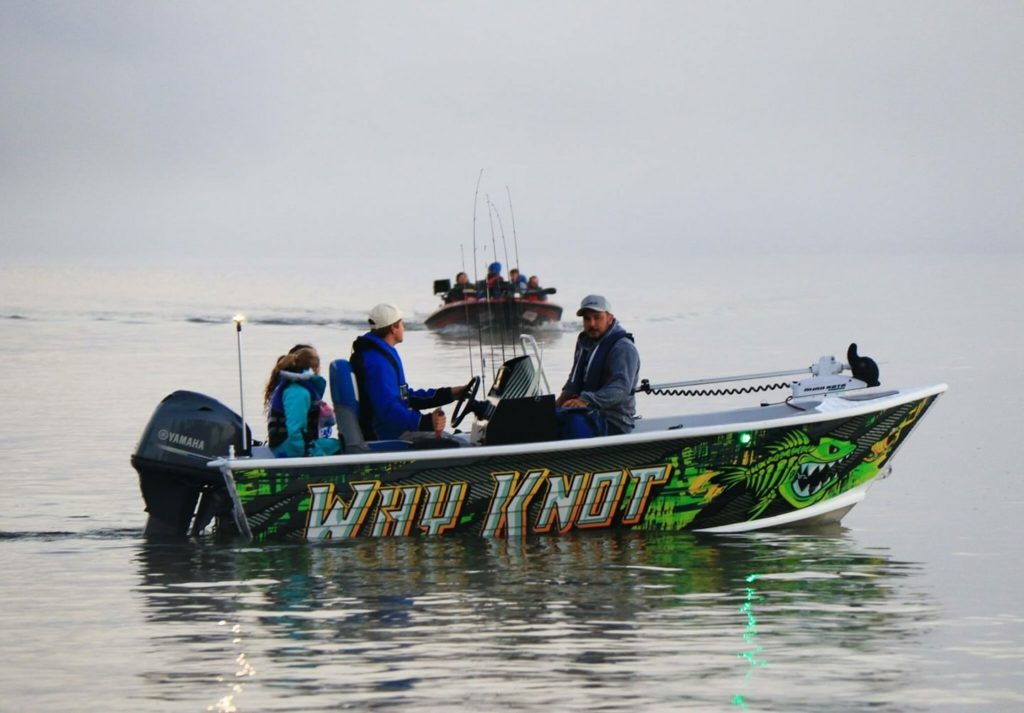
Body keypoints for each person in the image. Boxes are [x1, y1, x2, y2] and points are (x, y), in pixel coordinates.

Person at [351, 303, 469, 440]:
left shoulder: (380, 353)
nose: (404, 327)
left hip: (394, 430)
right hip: (387, 437)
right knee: (457, 443)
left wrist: (449, 394)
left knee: (458, 439)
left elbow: (404, 397)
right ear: (393, 328)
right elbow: (388, 410)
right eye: (402, 324)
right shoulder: (376, 362)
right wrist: (425, 422)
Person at [556, 295, 640, 436]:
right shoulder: (585, 343)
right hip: (588, 413)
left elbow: (620, 389)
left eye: (597, 317)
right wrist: (554, 407)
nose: (592, 324)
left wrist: (584, 400)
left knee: (572, 425)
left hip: (614, 422)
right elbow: (573, 382)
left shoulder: (623, 347)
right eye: (587, 319)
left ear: (609, 318)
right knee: (545, 421)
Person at [263, 345, 342, 457]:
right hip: (289, 448)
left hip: (295, 444)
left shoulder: (299, 389)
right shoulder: (297, 392)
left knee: (339, 445)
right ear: (315, 369)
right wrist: (312, 454)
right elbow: (295, 430)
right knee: (338, 450)